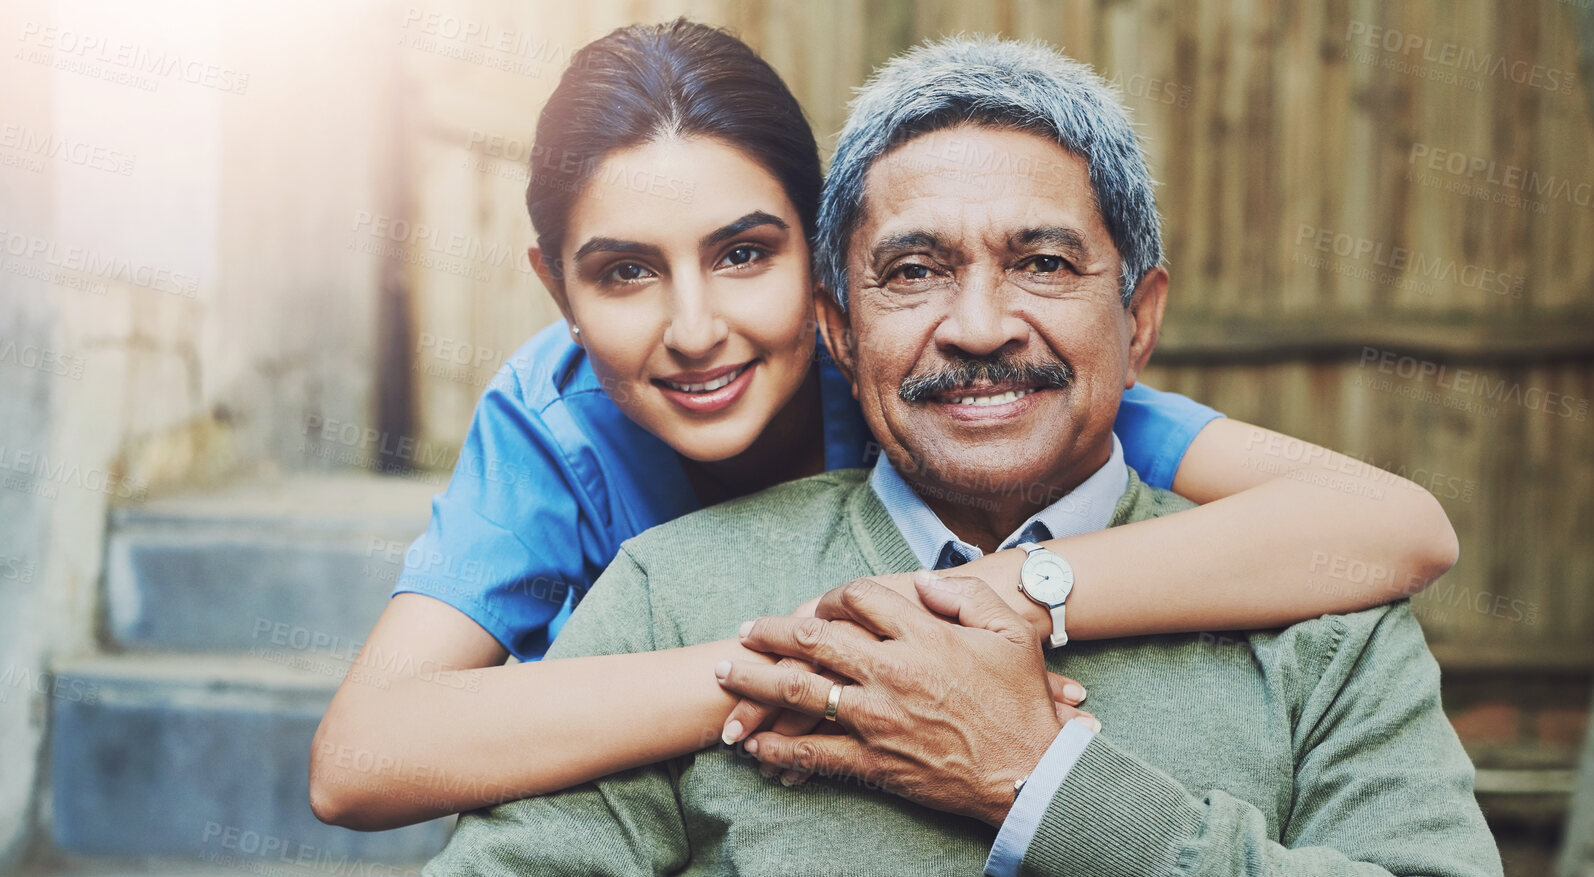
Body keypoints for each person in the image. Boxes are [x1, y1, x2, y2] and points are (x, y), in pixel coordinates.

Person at [371, 36, 1534, 877]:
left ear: (1139, 320)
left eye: (1041, 264)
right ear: (838, 325)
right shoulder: (675, 588)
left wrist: (1050, 783)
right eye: (915, 271)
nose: (978, 327)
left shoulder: (1310, 610)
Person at [310, 19, 1459, 831]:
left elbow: (1392, 525)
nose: (695, 328)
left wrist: (1012, 593)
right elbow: (360, 762)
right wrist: (811, 665)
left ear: (830, 277)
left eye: (743, 254)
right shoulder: (555, 422)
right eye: (623, 274)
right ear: (558, 290)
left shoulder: (951, 391)